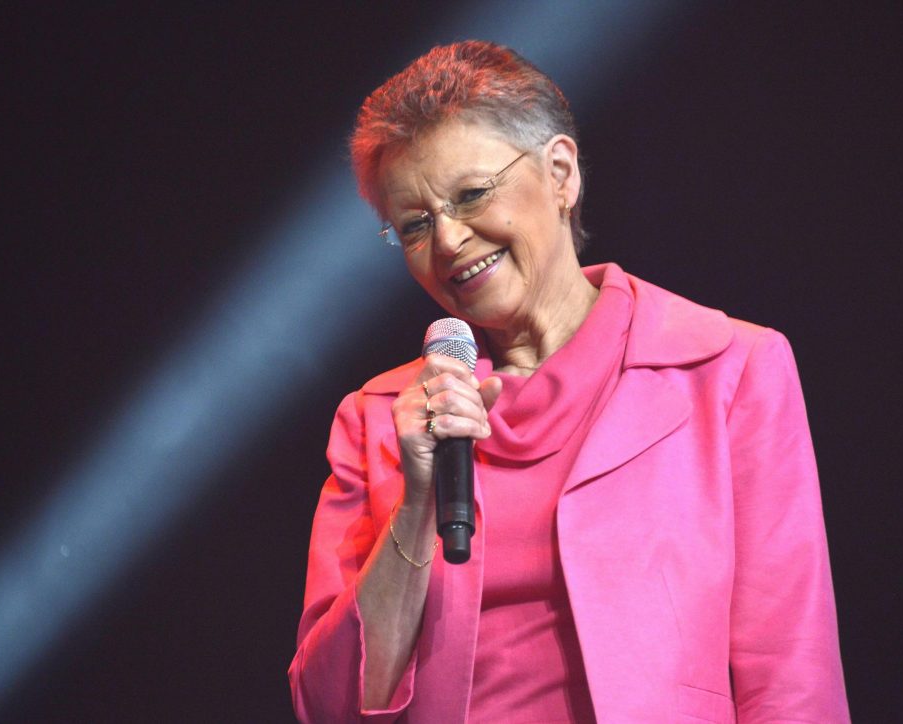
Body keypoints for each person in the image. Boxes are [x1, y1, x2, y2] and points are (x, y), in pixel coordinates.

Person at [288, 40, 849, 723]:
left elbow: (791, 673)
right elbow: (329, 705)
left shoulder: (726, 369)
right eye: (414, 225)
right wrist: (417, 505)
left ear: (560, 172)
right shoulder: (380, 420)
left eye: (470, 195)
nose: (448, 241)